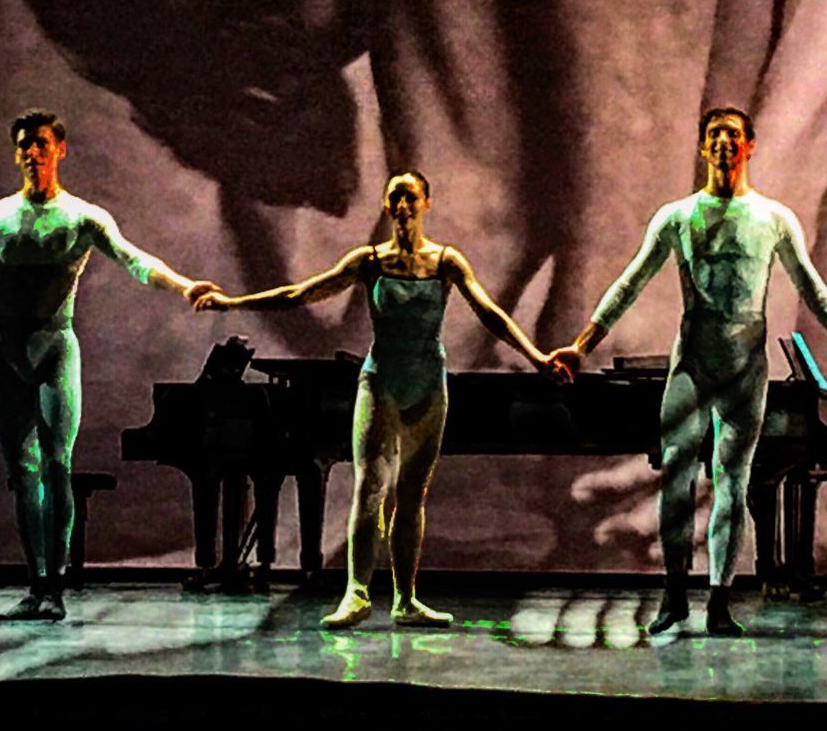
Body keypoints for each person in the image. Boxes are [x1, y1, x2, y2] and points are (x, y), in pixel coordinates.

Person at [549, 108, 827, 636]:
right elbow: (630, 281)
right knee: (677, 478)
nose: (725, 144)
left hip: (744, 362)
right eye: (715, 136)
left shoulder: (774, 218)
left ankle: (720, 599)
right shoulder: (677, 216)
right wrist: (582, 343)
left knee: (733, 482)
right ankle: (673, 594)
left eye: (734, 136)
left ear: (750, 146)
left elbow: (813, 289)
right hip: (694, 358)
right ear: (704, 148)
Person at [192, 169, 566, 628]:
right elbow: (301, 293)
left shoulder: (447, 262)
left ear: (427, 202)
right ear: (387, 207)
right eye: (395, 199)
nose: (404, 206)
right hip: (381, 382)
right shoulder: (369, 261)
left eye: (411, 197)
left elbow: (489, 313)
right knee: (370, 488)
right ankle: (357, 593)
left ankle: (406, 600)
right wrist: (232, 303)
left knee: (411, 497)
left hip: (428, 385)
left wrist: (537, 357)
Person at [0, 109, 218, 622]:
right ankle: (36, 582)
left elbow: (135, 261)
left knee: (57, 465)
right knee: (22, 475)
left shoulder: (84, 217)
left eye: (41, 144)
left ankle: (57, 584)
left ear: (59, 149)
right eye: (24, 145)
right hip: (6, 353)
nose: (32, 153)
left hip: (54, 351)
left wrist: (185, 286)